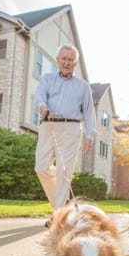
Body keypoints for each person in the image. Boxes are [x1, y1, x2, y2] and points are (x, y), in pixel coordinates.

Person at [32, 44, 95, 223]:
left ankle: (58, 215)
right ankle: (63, 205)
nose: (67, 63)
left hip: (71, 128)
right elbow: (39, 97)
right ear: (57, 60)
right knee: (41, 166)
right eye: (64, 59)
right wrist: (41, 106)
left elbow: (90, 112)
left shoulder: (83, 86)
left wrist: (89, 135)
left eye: (71, 60)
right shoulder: (47, 79)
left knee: (64, 171)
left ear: (75, 63)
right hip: (48, 125)